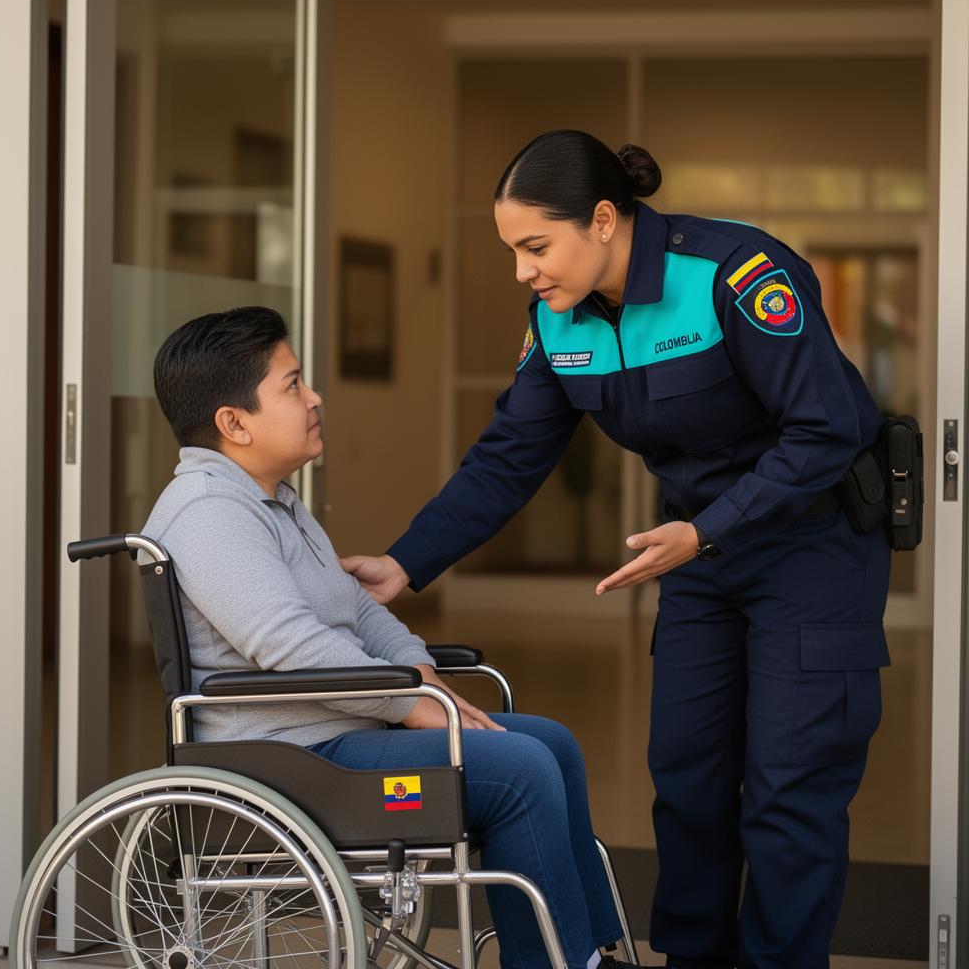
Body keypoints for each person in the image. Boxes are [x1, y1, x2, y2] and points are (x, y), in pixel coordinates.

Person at [341, 130, 892, 969]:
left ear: (603, 220)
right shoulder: (557, 322)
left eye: (536, 246)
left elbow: (830, 428)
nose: (524, 271)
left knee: (788, 795)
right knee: (689, 786)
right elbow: (506, 459)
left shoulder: (734, 275)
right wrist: (406, 563)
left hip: (808, 554)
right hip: (699, 560)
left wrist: (708, 527)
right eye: (514, 251)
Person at [143, 306, 636, 969]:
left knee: (552, 743)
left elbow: (361, 612)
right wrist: (413, 704)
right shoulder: (209, 514)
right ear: (234, 423)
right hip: (293, 762)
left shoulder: (275, 499)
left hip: (337, 734)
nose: (314, 397)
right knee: (520, 770)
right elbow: (291, 646)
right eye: (292, 386)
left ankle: (588, 950)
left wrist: (420, 674)